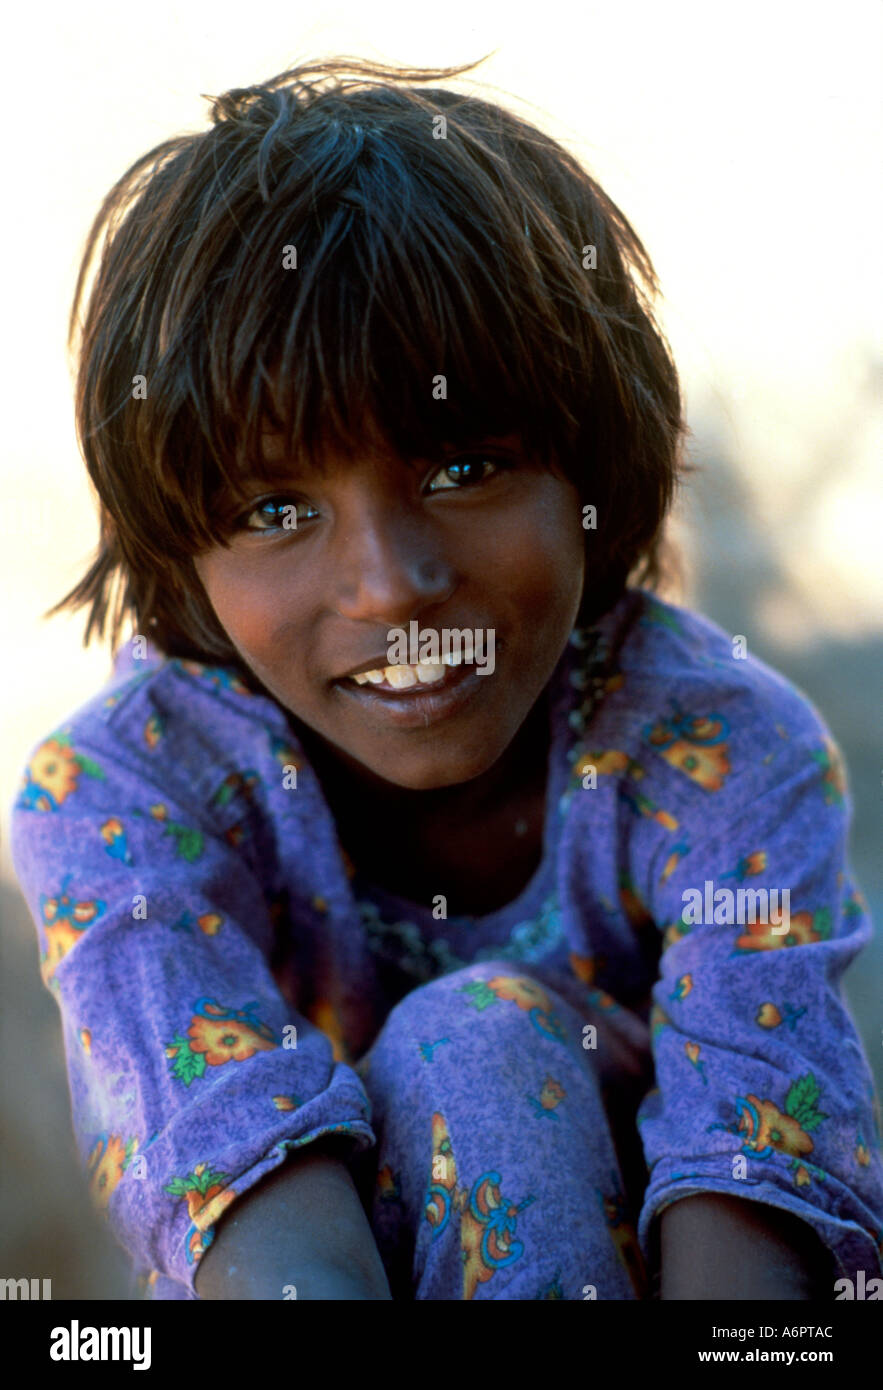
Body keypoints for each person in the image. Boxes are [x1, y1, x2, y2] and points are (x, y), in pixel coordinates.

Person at [10, 55, 882, 1301]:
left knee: (479, 1038)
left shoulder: (719, 744)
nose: (387, 585)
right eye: (272, 506)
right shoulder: (120, 791)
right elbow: (241, 1205)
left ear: (590, 468)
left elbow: (760, 1214)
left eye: (463, 470)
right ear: (181, 555)